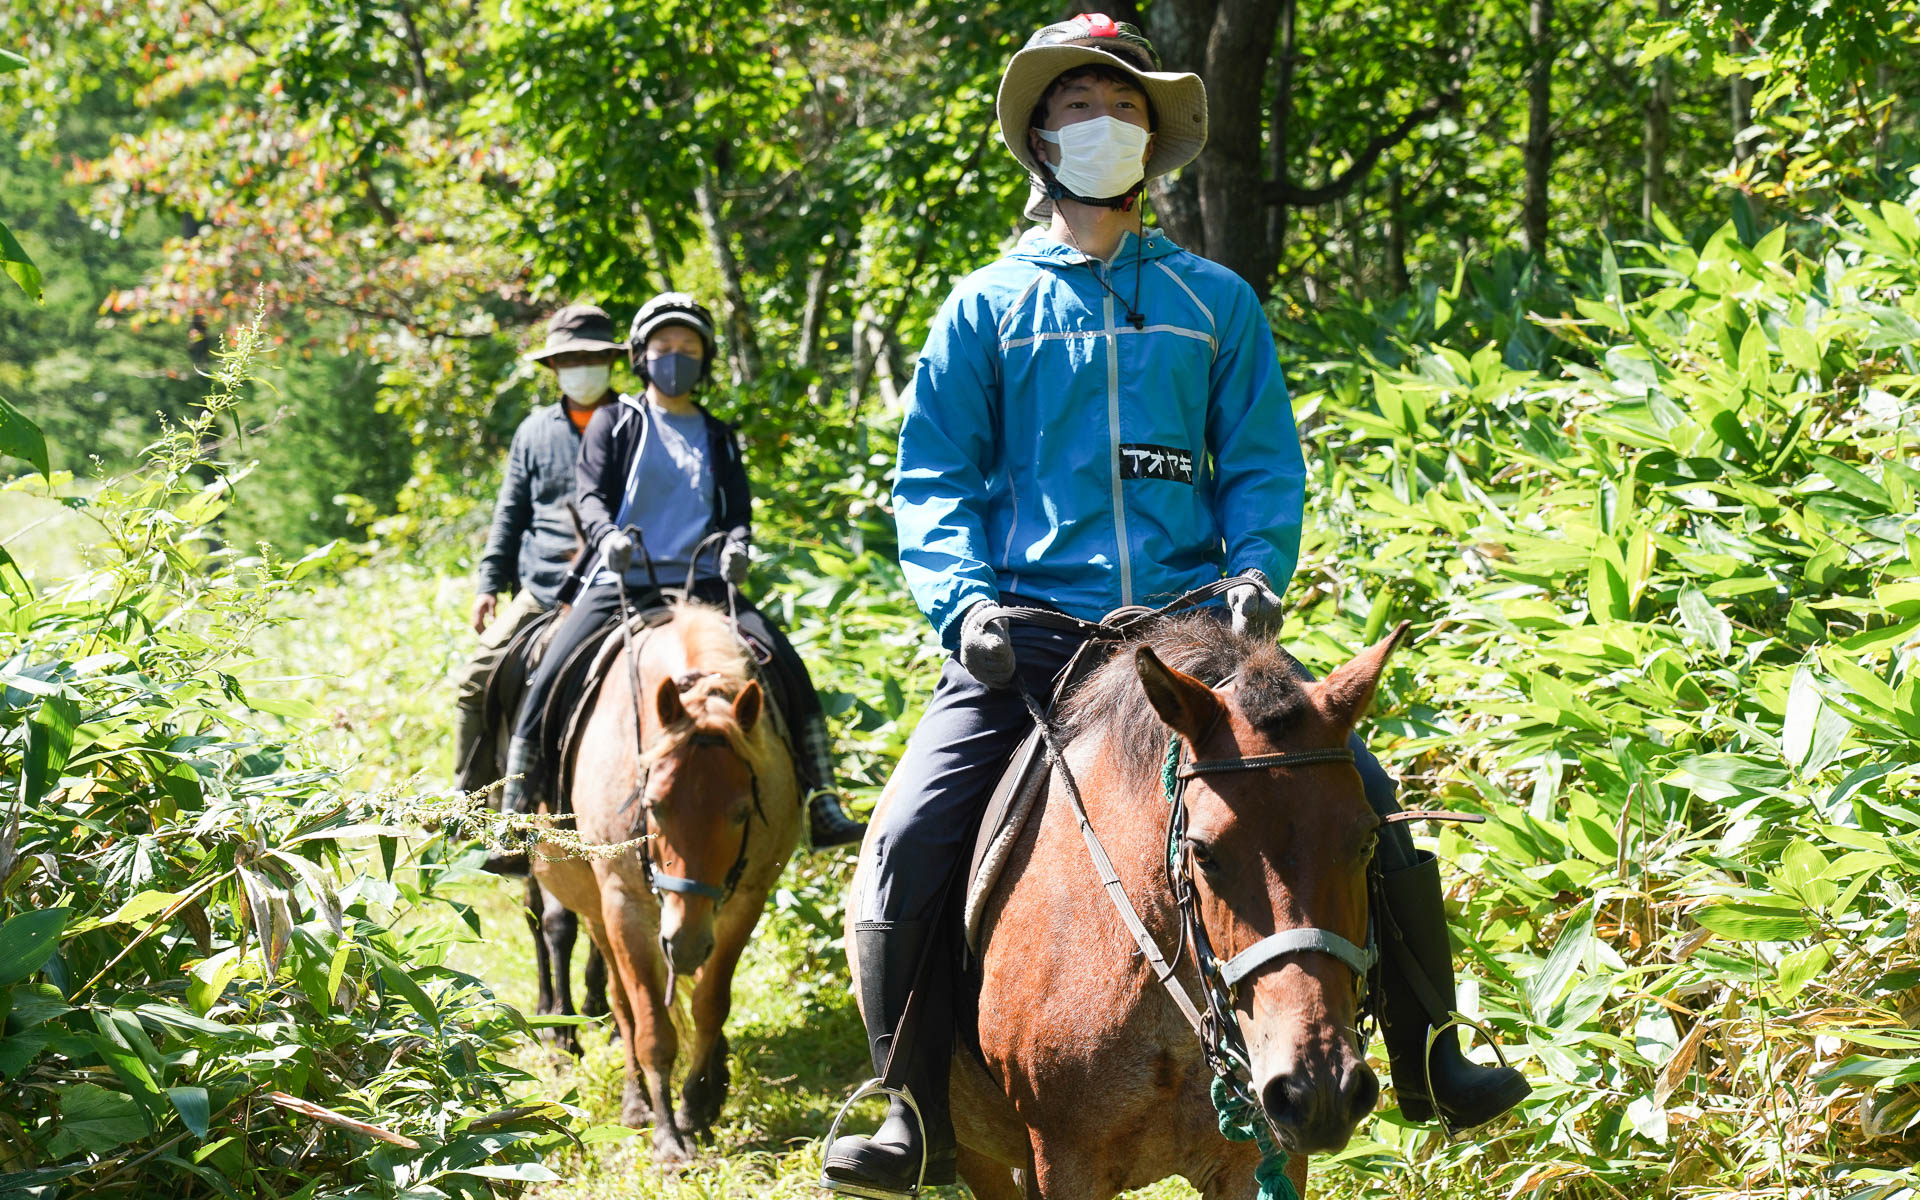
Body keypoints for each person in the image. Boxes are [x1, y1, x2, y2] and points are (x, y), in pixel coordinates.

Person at [821, 14, 1528, 1195]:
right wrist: (964, 610)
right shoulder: (983, 310)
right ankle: (906, 1104)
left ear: (1154, 139)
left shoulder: (1215, 302)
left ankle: (1430, 1052)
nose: (1102, 123)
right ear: (1039, 138)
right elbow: (934, 480)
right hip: (1033, 643)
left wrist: (1258, 565)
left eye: (1125, 105)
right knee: (903, 840)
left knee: (1368, 807)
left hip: (1199, 639)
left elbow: (1261, 461)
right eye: (1075, 105)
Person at [498, 293, 866, 849]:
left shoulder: (720, 435)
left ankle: (823, 800)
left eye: (688, 348)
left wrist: (738, 546)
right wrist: (608, 538)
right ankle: (517, 809)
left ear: (705, 358)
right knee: (550, 671)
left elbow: (737, 514)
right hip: (622, 578)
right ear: (643, 356)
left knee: (785, 663)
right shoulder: (615, 422)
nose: (676, 357)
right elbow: (591, 496)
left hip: (704, 585)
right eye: (664, 347)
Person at [452, 303, 625, 796]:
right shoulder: (534, 431)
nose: (579, 369)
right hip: (543, 588)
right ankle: (470, 805)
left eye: (590, 358)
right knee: (474, 681)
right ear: (553, 367)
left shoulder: (634, 423)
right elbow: (511, 514)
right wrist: (489, 585)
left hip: (618, 585)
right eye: (568, 360)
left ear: (612, 362)